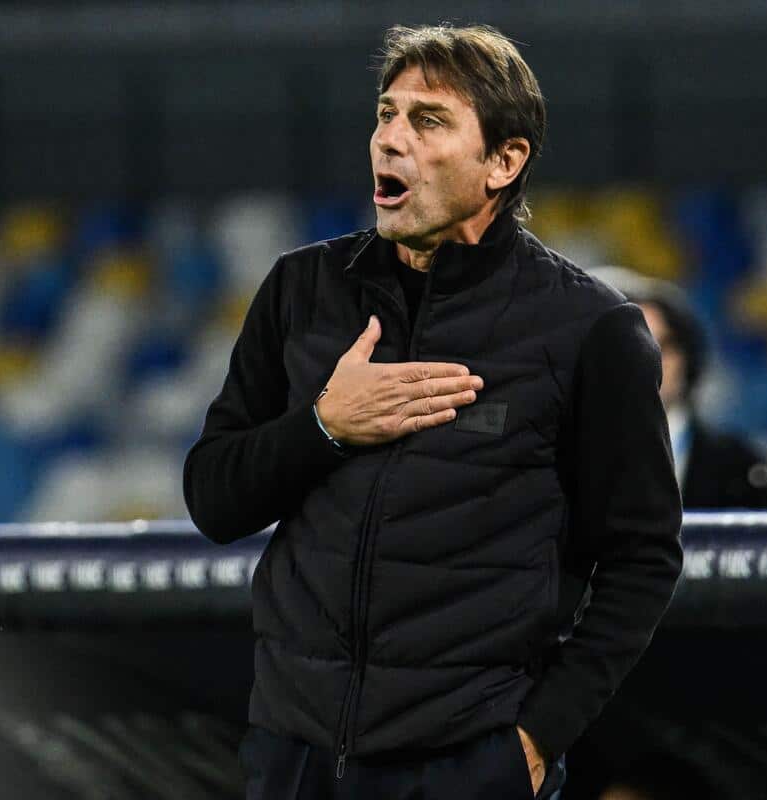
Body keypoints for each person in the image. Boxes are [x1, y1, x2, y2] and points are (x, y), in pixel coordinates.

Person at [182, 24, 683, 800]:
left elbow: (642, 557)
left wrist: (535, 740)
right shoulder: (300, 290)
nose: (391, 140)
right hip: (295, 754)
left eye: (428, 121)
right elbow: (214, 499)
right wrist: (323, 427)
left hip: (466, 762)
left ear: (503, 162)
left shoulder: (590, 329)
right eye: (386, 114)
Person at [591, 268, 767, 510]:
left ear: (687, 357)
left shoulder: (740, 468)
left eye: (662, 345)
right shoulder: (560, 460)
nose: (648, 361)